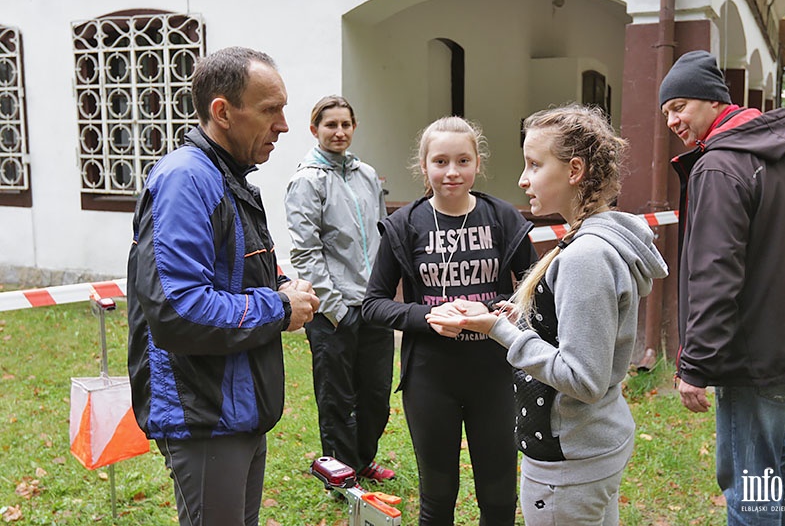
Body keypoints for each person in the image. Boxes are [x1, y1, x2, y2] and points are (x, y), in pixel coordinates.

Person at [427, 105, 668, 526]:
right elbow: (569, 336)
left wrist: (502, 331)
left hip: (571, 461)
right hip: (585, 449)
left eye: (535, 165)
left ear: (574, 170)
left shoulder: (585, 257)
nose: (523, 179)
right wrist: (518, 319)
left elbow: (583, 379)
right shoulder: (587, 239)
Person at [659, 50, 785, 524]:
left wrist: (697, 364)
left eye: (680, 105)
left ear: (711, 101)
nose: (672, 120)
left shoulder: (720, 167)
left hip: (756, 358)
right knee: (775, 466)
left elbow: (714, 274)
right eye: (666, 111)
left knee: (750, 490)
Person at [127, 46, 320, 526]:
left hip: (238, 411)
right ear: (222, 112)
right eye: (270, 109)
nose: (284, 125)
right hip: (205, 418)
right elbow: (178, 309)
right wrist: (278, 306)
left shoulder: (227, 178)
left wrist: (282, 286)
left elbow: (233, 272)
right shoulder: (186, 180)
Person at [362, 116, 538, 526]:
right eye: (440, 161)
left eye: (462, 160)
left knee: (497, 496)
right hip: (430, 376)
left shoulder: (503, 219)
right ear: (423, 167)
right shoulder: (404, 225)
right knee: (437, 498)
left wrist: (496, 308)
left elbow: (533, 291)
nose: (452, 172)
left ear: (478, 164)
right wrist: (426, 316)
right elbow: (373, 304)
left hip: (495, 374)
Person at [284, 95, 395, 482]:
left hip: (373, 306)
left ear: (354, 127)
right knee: (337, 397)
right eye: (330, 125)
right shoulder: (306, 181)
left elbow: (383, 234)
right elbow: (306, 250)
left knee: (376, 394)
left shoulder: (366, 174)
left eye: (346, 124)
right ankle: (341, 472)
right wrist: (336, 308)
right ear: (314, 130)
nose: (339, 132)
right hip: (333, 310)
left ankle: (364, 460)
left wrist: (383, 292)